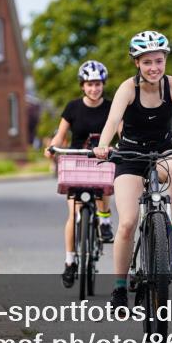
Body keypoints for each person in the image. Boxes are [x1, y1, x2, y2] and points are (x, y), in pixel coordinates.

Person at [93, 30, 172, 310]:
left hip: (162, 151)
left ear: (165, 60)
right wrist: (102, 145)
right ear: (136, 63)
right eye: (147, 62)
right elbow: (112, 123)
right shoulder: (127, 89)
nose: (154, 68)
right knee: (126, 223)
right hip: (130, 155)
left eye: (158, 61)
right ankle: (120, 289)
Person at [44, 60, 116, 288]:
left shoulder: (111, 107)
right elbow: (60, 135)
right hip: (75, 161)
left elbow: (122, 132)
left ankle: (104, 220)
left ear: (103, 84)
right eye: (89, 84)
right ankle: (70, 261)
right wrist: (52, 147)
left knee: (105, 184)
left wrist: (123, 146)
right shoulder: (73, 107)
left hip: (101, 160)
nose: (94, 89)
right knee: (73, 215)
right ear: (82, 86)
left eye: (98, 84)